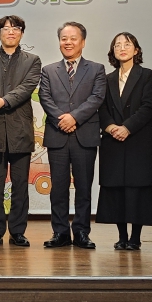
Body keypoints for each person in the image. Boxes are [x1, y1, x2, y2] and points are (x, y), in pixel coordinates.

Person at [39, 22, 106, 249]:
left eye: (73, 38)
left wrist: (74, 118)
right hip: (57, 134)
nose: (67, 42)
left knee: (84, 187)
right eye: (64, 38)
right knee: (58, 188)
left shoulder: (96, 69)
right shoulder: (48, 70)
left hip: (84, 135)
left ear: (83, 42)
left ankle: (81, 232)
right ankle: (60, 233)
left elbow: (97, 97)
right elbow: (45, 98)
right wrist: (63, 119)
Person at [0, 15, 41, 248]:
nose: (10, 32)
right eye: (5, 28)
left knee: (20, 185)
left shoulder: (32, 60)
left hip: (20, 129)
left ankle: (18, 231)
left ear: (21, 33)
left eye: (15, 28)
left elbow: (27, 87)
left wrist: (3, 101)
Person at [96, 33, 152, 250]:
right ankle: (122, 237)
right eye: (117, 45)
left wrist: (127, 128)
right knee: (116, 189)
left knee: (136, 188)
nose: (122, 48)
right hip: (112, 140)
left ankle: (135, 238)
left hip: (137, 140)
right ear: (112, 51)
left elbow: (148, 107)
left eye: (127, 44)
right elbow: (101, 107)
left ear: (136, 50)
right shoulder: (107, 79)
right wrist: (111, 127)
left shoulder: (147, 76)